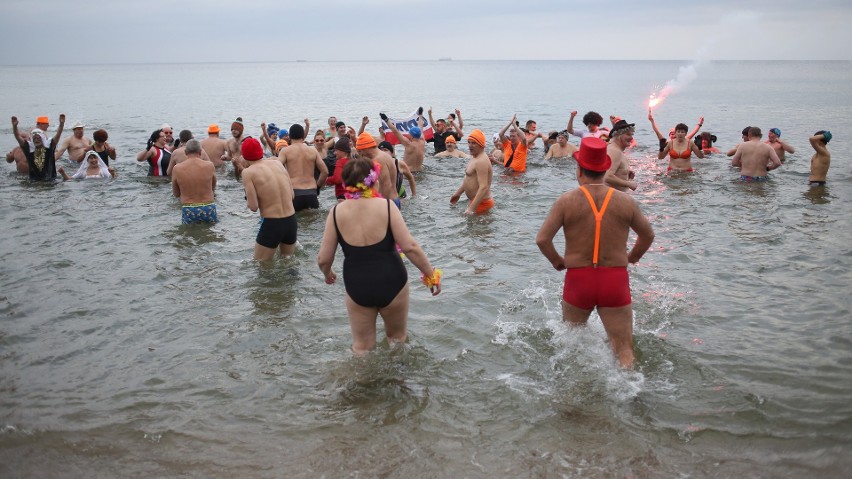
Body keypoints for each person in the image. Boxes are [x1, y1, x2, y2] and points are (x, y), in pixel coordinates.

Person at [536, 136, 655, 368]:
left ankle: (571, 400)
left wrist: (557, 261)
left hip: (578, 279)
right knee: (624, 351)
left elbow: (542, 239)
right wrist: (632, 258)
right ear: (604, 169)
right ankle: (633, 396)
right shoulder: (625, 201)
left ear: (579, 170)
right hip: (614, 280)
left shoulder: (566, 200)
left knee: (570, 348)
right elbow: (648, 235)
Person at [316, 158, 441, 355]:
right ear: (373, 181)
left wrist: (327, 273)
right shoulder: (388, 207)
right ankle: (399, 382)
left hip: (357, 285)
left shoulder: (335, 213)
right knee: (398, 339)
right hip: (392, 281)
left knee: (362, 347)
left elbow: (323, 258)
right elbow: (410, 247)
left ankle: (363, 384)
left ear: (345, 184)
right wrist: (430, 275)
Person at [241, 137, 298, 260]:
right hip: (291, 221)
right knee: (288, 263)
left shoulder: (248, 172)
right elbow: (292, 195)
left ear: (244, 156)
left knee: (261, 267)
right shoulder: (278, 163)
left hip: (272, 224)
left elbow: (253, 207)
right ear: (261, 151)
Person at [278, 123, 328, 211]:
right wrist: (318, 187)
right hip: (312, 193)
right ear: (303, 136)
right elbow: (325, 172)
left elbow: (276, 168)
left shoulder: (285, 151)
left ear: (290, 136)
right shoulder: (312, 150)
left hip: (295, 193)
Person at [171, 140, 217, 224]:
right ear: (200, 152)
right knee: (210, 235)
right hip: (208, 206)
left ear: (185, 152)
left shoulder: (177, 168)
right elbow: (213, 189)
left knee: (189, 235)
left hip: (189, 208)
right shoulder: (210, 165)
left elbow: (176, 194)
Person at [450, 130, 494, 215]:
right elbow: (468, 178)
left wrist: (471, 209)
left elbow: (483, 187)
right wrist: (458, 193)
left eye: (474, 143)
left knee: (479, 228)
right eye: (469, 142)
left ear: (481, 145)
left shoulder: (481, 161)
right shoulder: (474, 156)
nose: (470, 146)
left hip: (482, 203)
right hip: (474, 202)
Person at [11, 114, 65, 181]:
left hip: (51, 181)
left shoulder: (49, 146)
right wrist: (14, 126)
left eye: (38, 138)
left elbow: (58, 134)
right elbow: (17, 137)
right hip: (34, 181)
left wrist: (61, 124)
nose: (36, 139)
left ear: (43, 138)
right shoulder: (29, 148)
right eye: (34, 138)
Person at [355, 132, 400, 208]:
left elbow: (386, 185)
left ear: (366, 148)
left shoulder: (378, 160)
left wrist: (382, 206)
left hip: (388, 202)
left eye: (360, 151)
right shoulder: (383, 155)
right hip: (394, 200)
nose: (360, 154)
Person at [604, 120, 637, 191]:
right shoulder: (614, 151)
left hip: (615, 196)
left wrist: (625, 173)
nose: (631, 138)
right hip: (611, 198)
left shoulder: (616, 150)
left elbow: (611, 172)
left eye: (632, 135)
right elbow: (607, 176)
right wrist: (629, 184)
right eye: (628, 134)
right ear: (618, 135)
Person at [326, 137, 352, 202]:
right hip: (352, 194)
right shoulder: (352, 161)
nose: (334, 153)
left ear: (343, 152)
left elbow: (337, 179)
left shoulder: (340, 162)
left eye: (336, 150)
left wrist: (327, 180)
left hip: (342, 194)